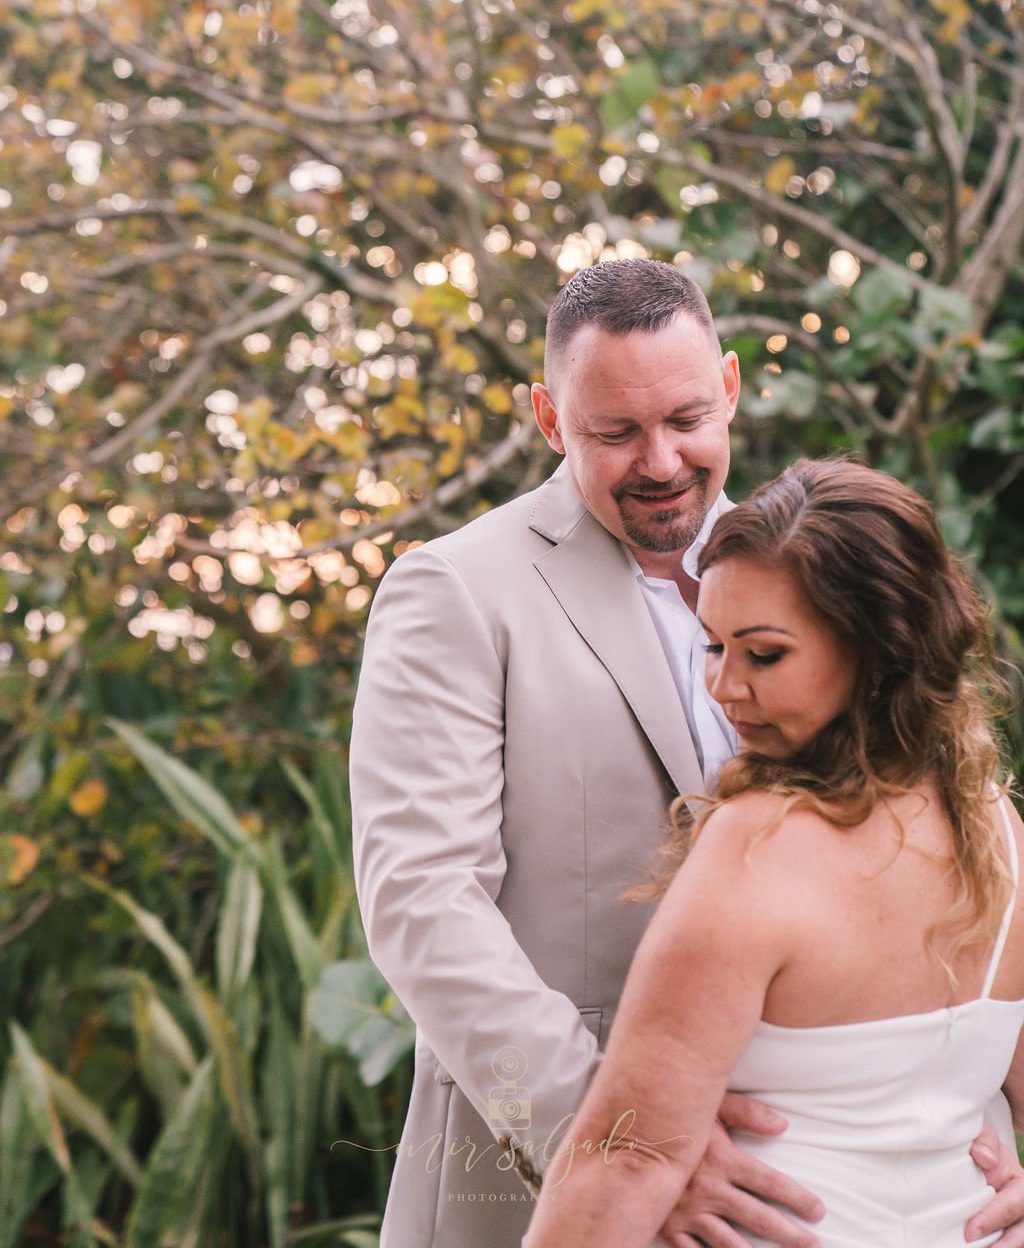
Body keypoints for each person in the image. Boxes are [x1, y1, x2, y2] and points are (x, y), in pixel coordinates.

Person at [349, 261, 1023, 1248]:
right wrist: (624, 1134)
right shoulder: (457, 591)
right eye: (614, 432)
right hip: (558, 1180)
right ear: (548, 417)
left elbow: (968, 846)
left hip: (894, 1185)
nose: (660, 460)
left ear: (733, 387)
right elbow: (421, 901)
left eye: (686, 418)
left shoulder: (823, 567)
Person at [523, 457, 1024, 1248]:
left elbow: (626, 1160)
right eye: (713, 645)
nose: (723, 686)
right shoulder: (995, 826)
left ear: (878, 648)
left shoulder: (756, 848)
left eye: (764, 655)